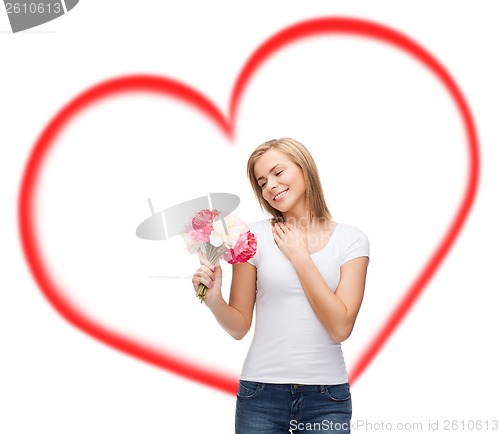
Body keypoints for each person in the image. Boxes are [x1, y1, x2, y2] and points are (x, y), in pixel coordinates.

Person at [192, 137, 369, 433]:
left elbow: (341, 328)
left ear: (304, 169)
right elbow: (239, 327)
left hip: (327, 397)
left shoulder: (351, 241)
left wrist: (300, 257)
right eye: (262, 182)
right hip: (260, 395)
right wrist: (214, 300)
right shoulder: (251, 238)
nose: (270, 186)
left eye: (278, 172)